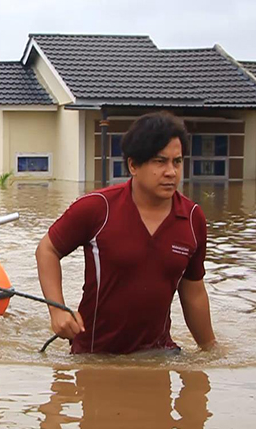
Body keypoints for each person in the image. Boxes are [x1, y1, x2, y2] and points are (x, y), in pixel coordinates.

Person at [35, 111, 216, 354]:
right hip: (94, 354)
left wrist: (211, 351)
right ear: (133, 165)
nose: (171, 172)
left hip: (158, 354)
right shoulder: (98, 208)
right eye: (159, 162)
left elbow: (193, 293)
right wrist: (57, 310)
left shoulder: (193, 219)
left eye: (177, 161)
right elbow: (47, 249)